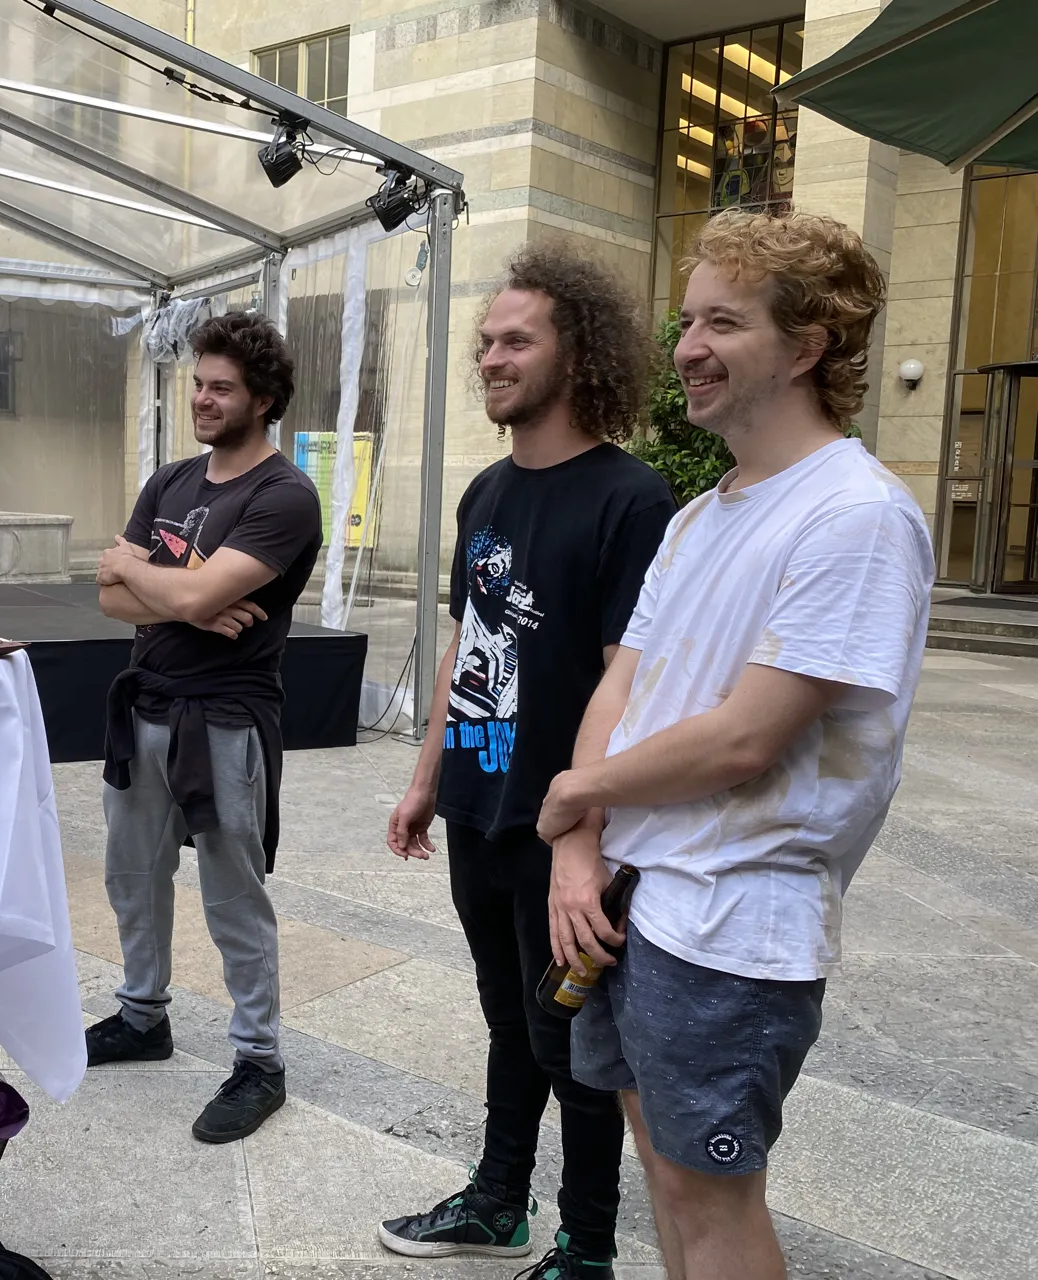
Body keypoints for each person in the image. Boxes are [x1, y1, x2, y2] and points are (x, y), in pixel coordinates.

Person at [538, 211, 933, 1280]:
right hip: (629, 898)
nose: (687, 348)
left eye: (723, 321)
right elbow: (624, 683)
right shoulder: (696, 517)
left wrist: (572, 791)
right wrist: (578, 840)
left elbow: (746, 738)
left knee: (709, 1203)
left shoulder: (854, 515)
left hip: (732, 921)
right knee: (664, 1184)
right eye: (685, 322)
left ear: (806, 345)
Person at [377, 245, 675, 1280]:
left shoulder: (632, 499)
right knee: (508, 1019)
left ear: (577, 353)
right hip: (477, 802)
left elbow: (629, 683)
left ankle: (586, 1248)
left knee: (574, 1044)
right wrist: (427, 780)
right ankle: (499, 1199)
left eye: (517, 341)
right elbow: (467, 646)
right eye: (486, 342)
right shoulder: (485, 492)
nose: (492, 359)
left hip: (564, 830)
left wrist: (583, 835)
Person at [88, 311, 320, 1143]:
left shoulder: (283, 496)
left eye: (222, 388)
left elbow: (156, 587)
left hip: (225, 718)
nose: (202, 399)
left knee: (233, 894)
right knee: (131, 875)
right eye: (197, 384)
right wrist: (186, 600)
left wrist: (148, 574)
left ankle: (260, 1060)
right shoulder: (171, 481)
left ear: (264, 400)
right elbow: (109, 599)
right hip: (145, 705)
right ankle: (141, 1016)